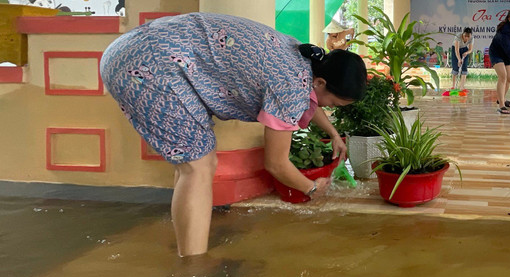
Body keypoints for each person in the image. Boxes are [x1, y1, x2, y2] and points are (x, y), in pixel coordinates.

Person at [100, 13, 366, 263]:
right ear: (320, 83)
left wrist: (333, 134)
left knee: (192, 165)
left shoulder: (306, 59)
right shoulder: (293, 86)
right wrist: (311, 189)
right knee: (198, 167)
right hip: (149, 67)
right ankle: (193, 269)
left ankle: (189, 240)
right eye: (335, 102)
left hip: (137, 49)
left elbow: (311, 98)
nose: (330, 107)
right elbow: (276, 164)